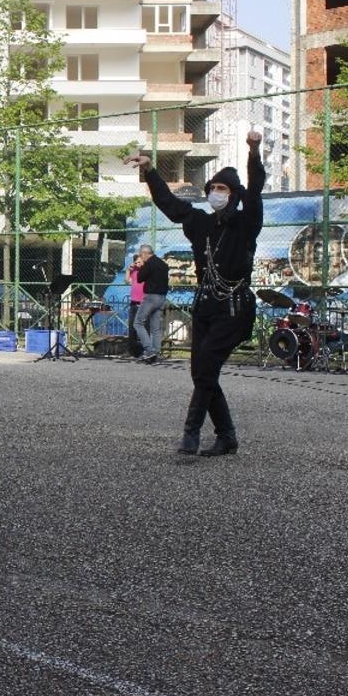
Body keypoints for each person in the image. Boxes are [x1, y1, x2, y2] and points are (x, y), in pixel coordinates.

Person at [125, 129, 265, 457]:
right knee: (201, 371)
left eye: (223, 188)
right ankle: (227, 436)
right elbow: (171, 205)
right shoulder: (201, 224)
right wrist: (150, 171)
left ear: (234, 195)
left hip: (234, 309)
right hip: (205, 307)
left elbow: (255, 191)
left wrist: (253, 152)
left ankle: (191, 432)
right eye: (213, 187)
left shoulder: (246, 225)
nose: (216, 192)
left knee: (205, 368)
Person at [133, 244, 169, 364]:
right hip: (162, 297)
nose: (141, 257)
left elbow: (140, 278)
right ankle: (156, 354)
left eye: (141, 255)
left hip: (151, 297)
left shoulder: (148, 263)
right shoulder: (163, 264)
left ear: (144, 254)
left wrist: (142, 267)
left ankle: (149, 350)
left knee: (138, 323)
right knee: (156, 328)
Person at [125, 254, 144, 358]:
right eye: (136, 262)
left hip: (144, 302)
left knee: (143, 327)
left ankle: (143, 350)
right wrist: (128, 270)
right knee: (132, 327)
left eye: (139, 262)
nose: (137, 264)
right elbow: (127, 280)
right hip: (134, 301)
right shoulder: (134, 271)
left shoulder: (146, 271)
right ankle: (132, 351)